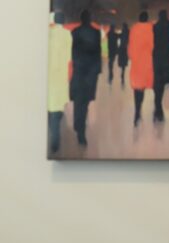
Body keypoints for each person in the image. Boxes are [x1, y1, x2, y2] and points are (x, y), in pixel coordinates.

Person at [70, 9, 103, 147]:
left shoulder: (75, 33)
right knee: (85, 102)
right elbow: (97, 55)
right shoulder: (96, 33)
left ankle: (78, 125)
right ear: (89, 19)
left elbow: (73, 54)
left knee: (79, 102)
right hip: (90, 74)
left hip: (78, 72)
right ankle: (81, 131)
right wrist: (96, 72)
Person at [48, 12, 73, 153]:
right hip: (61, 74)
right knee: (58, 107)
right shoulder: (67, 35)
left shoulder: (50, 34)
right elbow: (69, 56)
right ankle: (55, 140)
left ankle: (53, 135)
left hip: (50, 74)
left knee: (51, 105)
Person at [129, 12, 154, 126]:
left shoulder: (134, 29)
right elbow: (153, 45)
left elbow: (130, 47)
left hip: (137, 62)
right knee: (143, 86)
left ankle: (137, 110)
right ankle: (141, 109)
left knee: (137, 88)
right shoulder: (150, 29)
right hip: (147, 61)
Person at [152, 10, 169, 122]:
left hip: (157, 57)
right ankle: (158, 104)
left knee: (157, 82)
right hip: (166, 57)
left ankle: (157, 105)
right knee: (162, 83)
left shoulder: (155, 27)